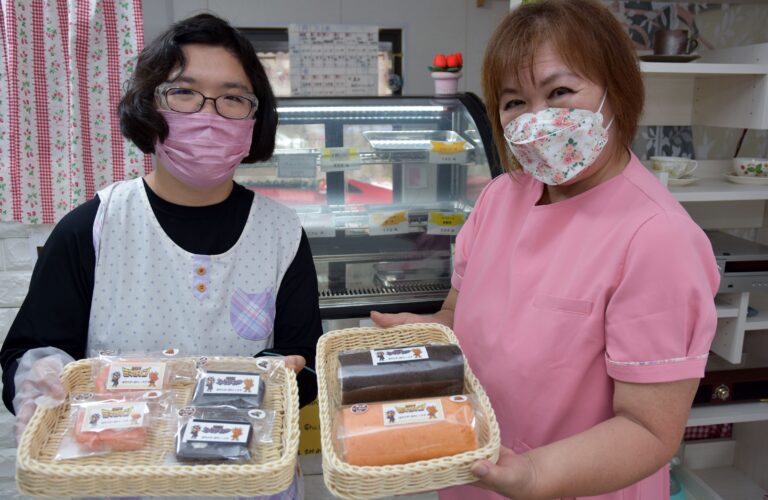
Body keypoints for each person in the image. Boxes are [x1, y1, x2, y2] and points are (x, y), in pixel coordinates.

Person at [372, 1, 719, 498]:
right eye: (514, 102)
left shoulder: (658, 237)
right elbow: (460, 312)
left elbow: (649, 430)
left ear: (616, 91)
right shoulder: (499, 197)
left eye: (559, 92)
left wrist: (535, 474)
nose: (539, 120)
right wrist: (434, 333)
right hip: (476, 471)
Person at [0, 13, 322, 447]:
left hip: (245, 480)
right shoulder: (92, 227)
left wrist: (274, 374)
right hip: (116, 472)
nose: (209, 114)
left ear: (254, 119)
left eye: (233, 98)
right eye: (184, 93)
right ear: (149, 105)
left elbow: (305, 363)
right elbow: (28, 352)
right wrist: (40, 377)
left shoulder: (281, 232)